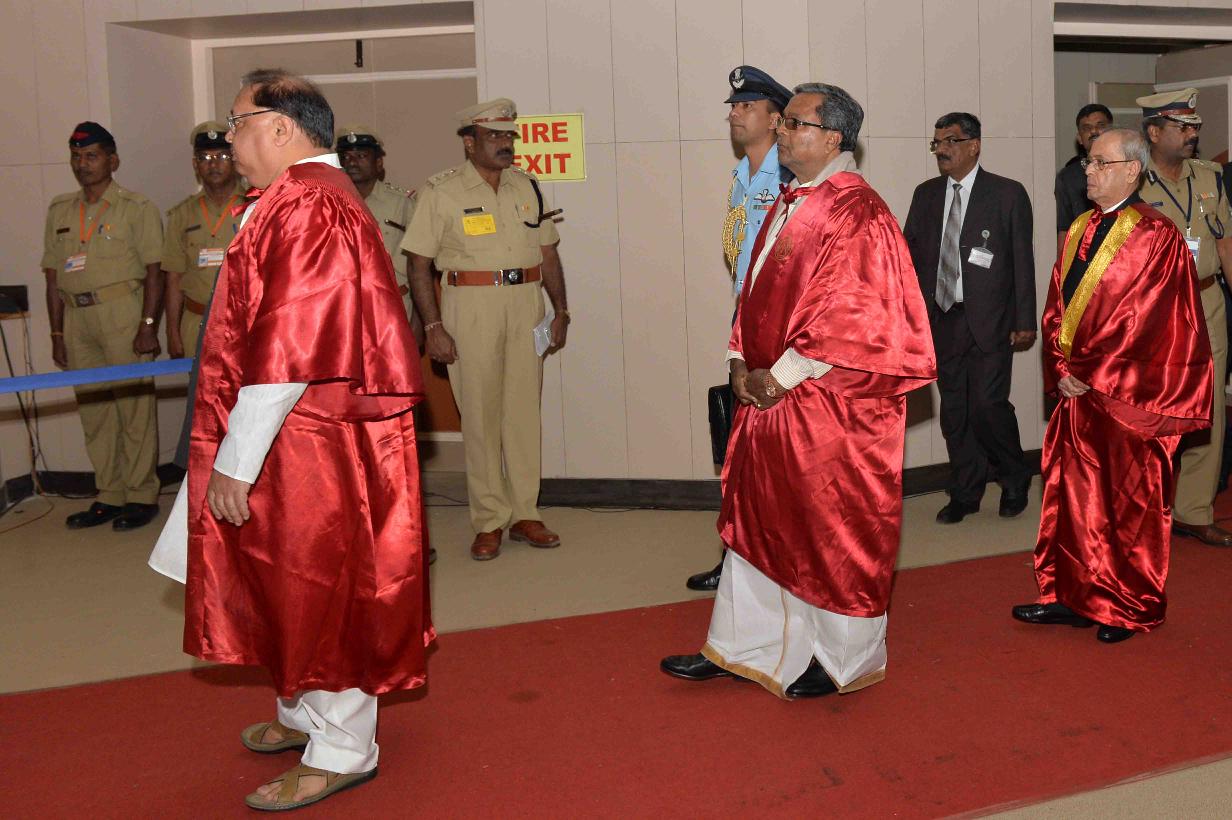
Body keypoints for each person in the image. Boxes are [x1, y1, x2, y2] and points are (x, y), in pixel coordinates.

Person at [148, 69, 429, 811]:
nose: (227, 138)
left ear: (280, 126)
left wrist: (237, 462)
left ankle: (343, 748)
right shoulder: (293, 198)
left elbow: (289, 349)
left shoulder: (309, 205)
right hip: (289, 430)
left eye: (236, 122)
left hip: (307, 438)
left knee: (320, 582)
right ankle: (304, 711)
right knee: (281, 577)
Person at [660, 84, 936, 699]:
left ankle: (841, 660)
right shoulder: (791, 199)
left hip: (831, 402)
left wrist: (778, 376)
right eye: (782, 121)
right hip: (770, 397)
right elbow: (753, 292)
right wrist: (739, 360)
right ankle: (742, 646)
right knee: (760, 519)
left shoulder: (859, 211)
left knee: (830, 526)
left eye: (793, 122)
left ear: (833, 137)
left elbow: (853, 315)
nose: (780, 131)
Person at [1013, 128, 1212, 643]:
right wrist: (1060, 365)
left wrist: (1089, 372)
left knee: (1127, 504)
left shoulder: (1156, 234)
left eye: (1100, 163)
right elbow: (1058, 301)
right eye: (1087, 162)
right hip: (1078, 392)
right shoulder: (1082, 225)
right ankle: (1072, 595)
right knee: (1075, 497)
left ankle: (1128, 605)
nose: (1089, 171)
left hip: (1128, 395)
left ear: (1131, 170)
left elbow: (1148, 322)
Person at [401, 98, 569, 561]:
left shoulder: (527, 186)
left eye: (508, 136)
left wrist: (561, 311)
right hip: (470, 305)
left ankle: (526, 514)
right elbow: (418, 264)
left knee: (523, 414)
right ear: (469, 142)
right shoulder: (441, 191)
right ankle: (490, 519)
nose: (504, 144)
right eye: (494, 136)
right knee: (479, 415)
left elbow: (548, 253)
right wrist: (433, 326)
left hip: (525, 304)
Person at [687, 65, 793, 593]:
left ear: (775, 120)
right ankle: (737, 557)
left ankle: (775, 564)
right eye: (734, 106)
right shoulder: (742, 176)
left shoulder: (789, 178)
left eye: (747, 106)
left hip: (780, 325)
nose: (735, 113)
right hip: (746, 318)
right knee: (741, 449)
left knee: (776, 452)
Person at [903, 112, 1036, 524]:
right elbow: (909, 257)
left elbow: (1022, 260)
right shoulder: (926, 194)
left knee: (987, 406)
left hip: (990, 321)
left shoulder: (1007, 193)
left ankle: (1014, 476)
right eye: (937, 142)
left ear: (974, 145)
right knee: (955, 412)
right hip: (942, 320)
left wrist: (1025, 319)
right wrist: (908, 315)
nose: (941, 149)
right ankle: (966, 490)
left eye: (951, 141)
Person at [41, 121, 164, 531]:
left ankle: (141, 495)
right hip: (77, 318)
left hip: (122, 313)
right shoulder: (60, 209)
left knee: (134, 411)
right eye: (76, 156)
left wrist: (148, 325)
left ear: (113, 161)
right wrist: (57, 334)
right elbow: (52, 278)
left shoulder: (136, 207)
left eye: (91, 156)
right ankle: (109, 493)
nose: (83, 164)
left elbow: (155, 272)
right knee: (94, 412)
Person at [1138, 88, 1232, 548]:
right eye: (1181, 127)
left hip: (1207, 301)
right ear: (1154, 132)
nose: (1192, 134)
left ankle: (1193, 510)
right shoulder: (1132, 182)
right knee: (1153, 410)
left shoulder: (1211, 177)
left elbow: (1225, 242)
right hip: (1156, 311)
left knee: (1209, 409)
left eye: (1194, 126)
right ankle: (1143, 510)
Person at [162, 121, 245, 360]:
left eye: (221, 156)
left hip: (242, 321)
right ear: (195, 164)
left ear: (235, 158)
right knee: (198, 384)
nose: (213, 164)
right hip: (195, 321)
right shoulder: (182, 214)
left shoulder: (255, 206)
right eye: (205, 158)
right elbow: (174, 276)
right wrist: (172, 330)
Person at [335, 125, 422, 338]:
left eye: (361, 156)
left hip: (393, 305)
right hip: (343, 309)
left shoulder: (403, 204)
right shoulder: (328, 202)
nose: (352, 162)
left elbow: (419, 264)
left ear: (379, 163)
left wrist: (420, 319)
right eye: (346, 157)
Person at [1055, 103, 1113, 244]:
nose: (1094, 131)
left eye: (1100, 125)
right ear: (1080, 138)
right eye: (1087, 128)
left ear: (1112, 131)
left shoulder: (1125, 167)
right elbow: (1065, 229)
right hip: (1083, 251)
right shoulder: (1068, 177)